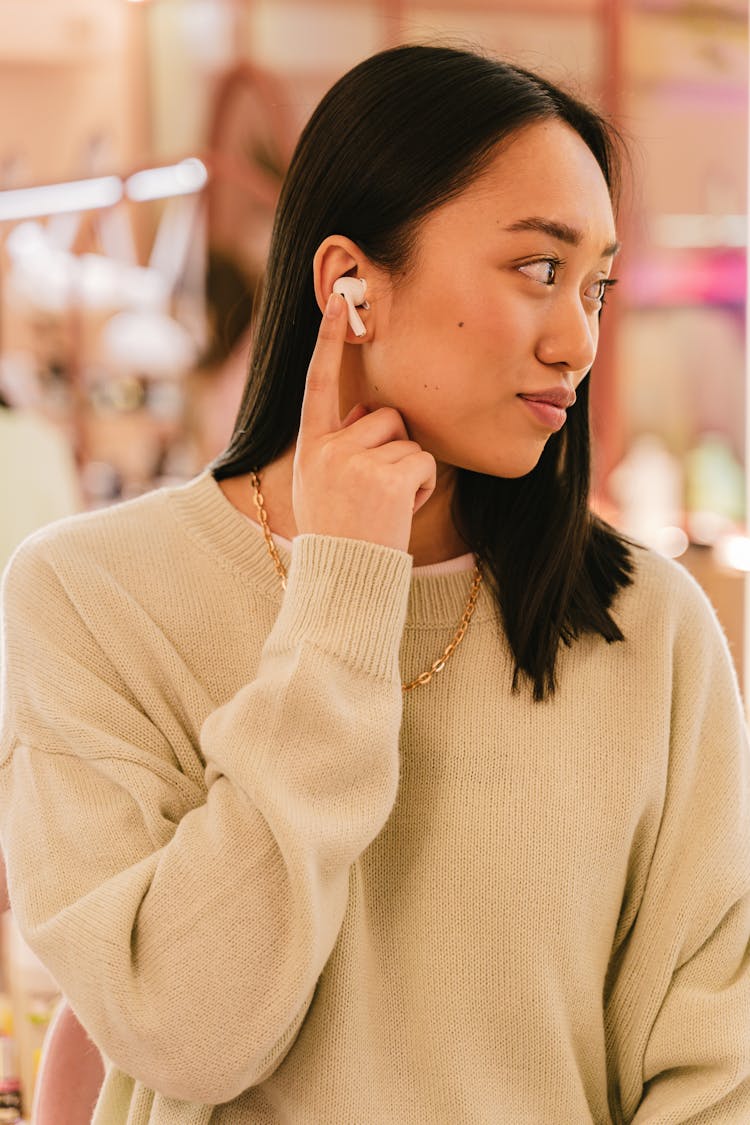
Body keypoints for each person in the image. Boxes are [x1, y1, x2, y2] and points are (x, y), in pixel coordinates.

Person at [0, 43, 748, 1125]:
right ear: (350, 284)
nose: (577, 339)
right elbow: (188, 1036)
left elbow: (716, 1075)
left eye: (596, 286)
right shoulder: (89, 597)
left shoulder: (649, 625)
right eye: (540, 269)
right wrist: (344, 597)